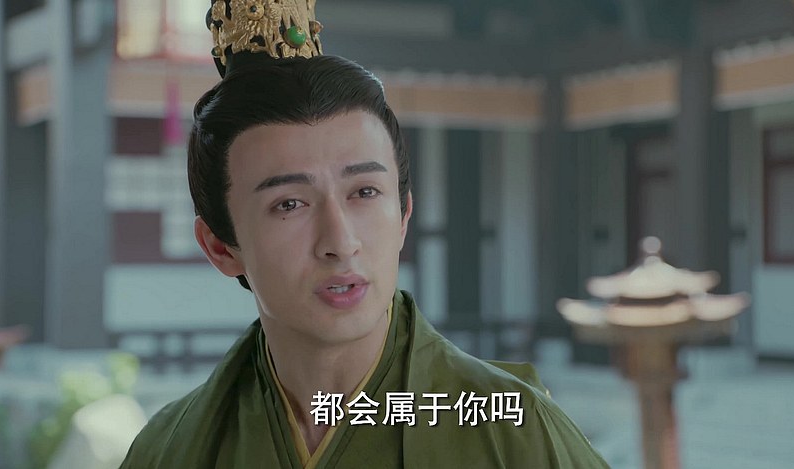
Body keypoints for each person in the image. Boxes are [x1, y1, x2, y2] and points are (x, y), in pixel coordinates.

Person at [120, 1, 610, 467]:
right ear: (220, 247)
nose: (340, 242)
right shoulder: (169, 450)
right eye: (289, 204)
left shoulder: (515, 433)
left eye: (365, 192)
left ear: (404, 215)